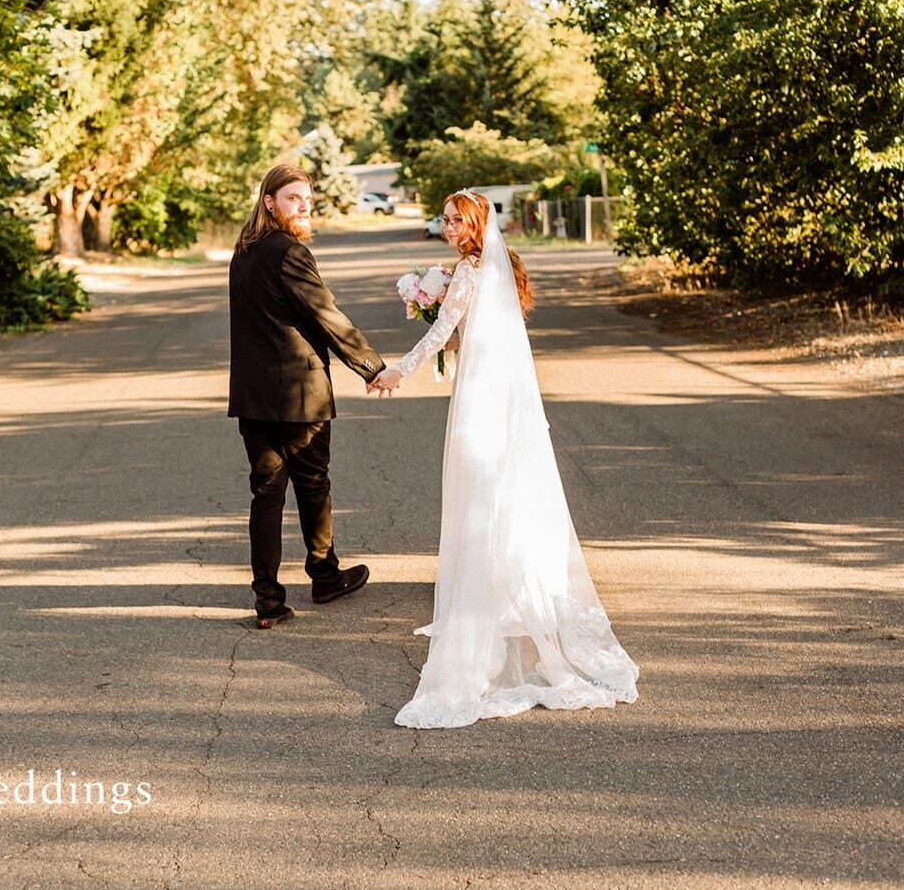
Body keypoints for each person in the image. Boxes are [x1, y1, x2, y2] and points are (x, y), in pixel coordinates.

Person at [368, 189, 639, 728]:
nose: (447, 227)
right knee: (504, 492)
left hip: (481, 399)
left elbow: (442, 334)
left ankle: (483, 605)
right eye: (445, 219)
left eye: (456, 220)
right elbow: (474, 334)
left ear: (475, 225)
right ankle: (506, 591)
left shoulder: (469, 273)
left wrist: (399, 369)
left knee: (478, 491)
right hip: (506, 396)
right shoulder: (496, 268)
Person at [229, 163, 393, 630]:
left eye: (307, 199)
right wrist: (373, 368)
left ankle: (267, 600)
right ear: (269, 202)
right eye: (293, 198)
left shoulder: (242, 254)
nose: (303, 206)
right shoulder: (289, 252)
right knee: (313, 484)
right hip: (299, 394)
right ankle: (325, 576)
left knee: (265, 495)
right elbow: (326, 315)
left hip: (253, 396)